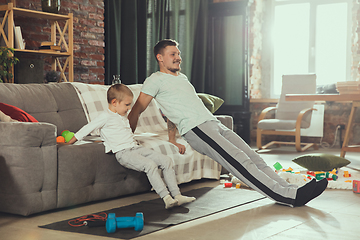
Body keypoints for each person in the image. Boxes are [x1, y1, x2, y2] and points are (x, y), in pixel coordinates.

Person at [127, 39, 328, 207]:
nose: (178, 57)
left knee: (254, 157)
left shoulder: (182, 77)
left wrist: (172, 139)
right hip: (197, 129)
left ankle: (291, 189)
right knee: (241, 161)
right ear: (160, 58)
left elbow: (170, 111)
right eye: (173, 54)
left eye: (178, 53)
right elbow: (137, 109)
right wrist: (128, 136)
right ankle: (288, 197)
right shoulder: (154, 80)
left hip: (213, 124)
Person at [67, 83, 196, 209]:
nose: (129, 108)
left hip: (136, 148)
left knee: (167, 161)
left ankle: (177, 195)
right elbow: (87, 129)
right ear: (114, 102)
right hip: (123, 153)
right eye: (127, 105)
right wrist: (69, 142)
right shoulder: (105, 117)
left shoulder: (121, 115)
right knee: (149, 165)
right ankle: (166, 198)